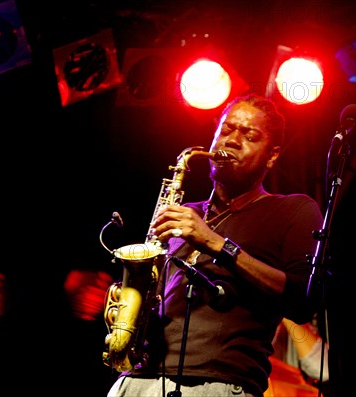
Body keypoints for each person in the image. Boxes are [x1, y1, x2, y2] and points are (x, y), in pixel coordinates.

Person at [106, 94, 324, 397]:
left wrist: (216, 243)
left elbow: (301, 301)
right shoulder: (183, 214)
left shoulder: (294, 209)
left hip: (218, 382)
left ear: (272, 156)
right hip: (137, 379)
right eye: (226, 130)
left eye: (249, 135)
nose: (232, 141)